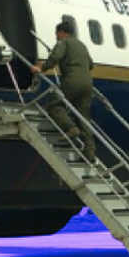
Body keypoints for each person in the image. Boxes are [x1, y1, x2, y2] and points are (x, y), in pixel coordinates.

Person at [31, 21, 96, 161]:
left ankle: (70, 128)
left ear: (62, 33)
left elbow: (55, 57)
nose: (56, 37)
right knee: (83, 116)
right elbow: (91, 65)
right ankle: (90, 152)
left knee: (54, 105)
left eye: (57, 34)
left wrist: (41, 69)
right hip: (88, 82)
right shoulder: (82, 45)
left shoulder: (64, 43)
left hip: (72, 80)